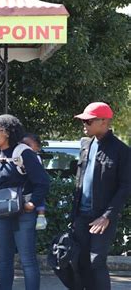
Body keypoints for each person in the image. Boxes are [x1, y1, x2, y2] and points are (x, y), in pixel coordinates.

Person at [0, 114, 50, 290]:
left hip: (24, 214)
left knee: (27, 260)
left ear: (8, 132)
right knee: (3, 259)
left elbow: (42, 182)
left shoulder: (24, 153)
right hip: (2, 213)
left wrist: (32, 204)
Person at [72, 102, 131, 290]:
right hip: (80, 215)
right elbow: (80, 179)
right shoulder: (85, 144)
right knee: (80, 261)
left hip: (102, 217)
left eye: (88, 121)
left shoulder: (121, 151)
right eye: (83, 120)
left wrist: (107, 216)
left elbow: (125, 187)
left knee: (95, 260)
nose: (84, 124)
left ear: (104, 122)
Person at [0, 132, 48, 230]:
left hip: (26, 203)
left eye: (28, 145)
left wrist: (32, 203)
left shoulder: (32, 157)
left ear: (38, 147)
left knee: (40, 199)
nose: (25, 147)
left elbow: (42, 182)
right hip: (6, 207)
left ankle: (41, 216)